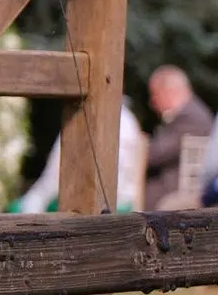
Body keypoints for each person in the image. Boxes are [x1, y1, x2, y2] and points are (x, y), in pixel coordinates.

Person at [16, 99, 145, 213]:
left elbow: (53, 179)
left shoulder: (83, 118)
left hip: (93, 207)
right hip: (125, 205)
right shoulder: (130, 120)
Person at [143, 66, 212, 210]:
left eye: (155, 95)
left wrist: (140, 144)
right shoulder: (192, 112)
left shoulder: (191, 117)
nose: (152, 103)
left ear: (169, 91)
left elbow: (154, 155)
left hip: (172, 191)